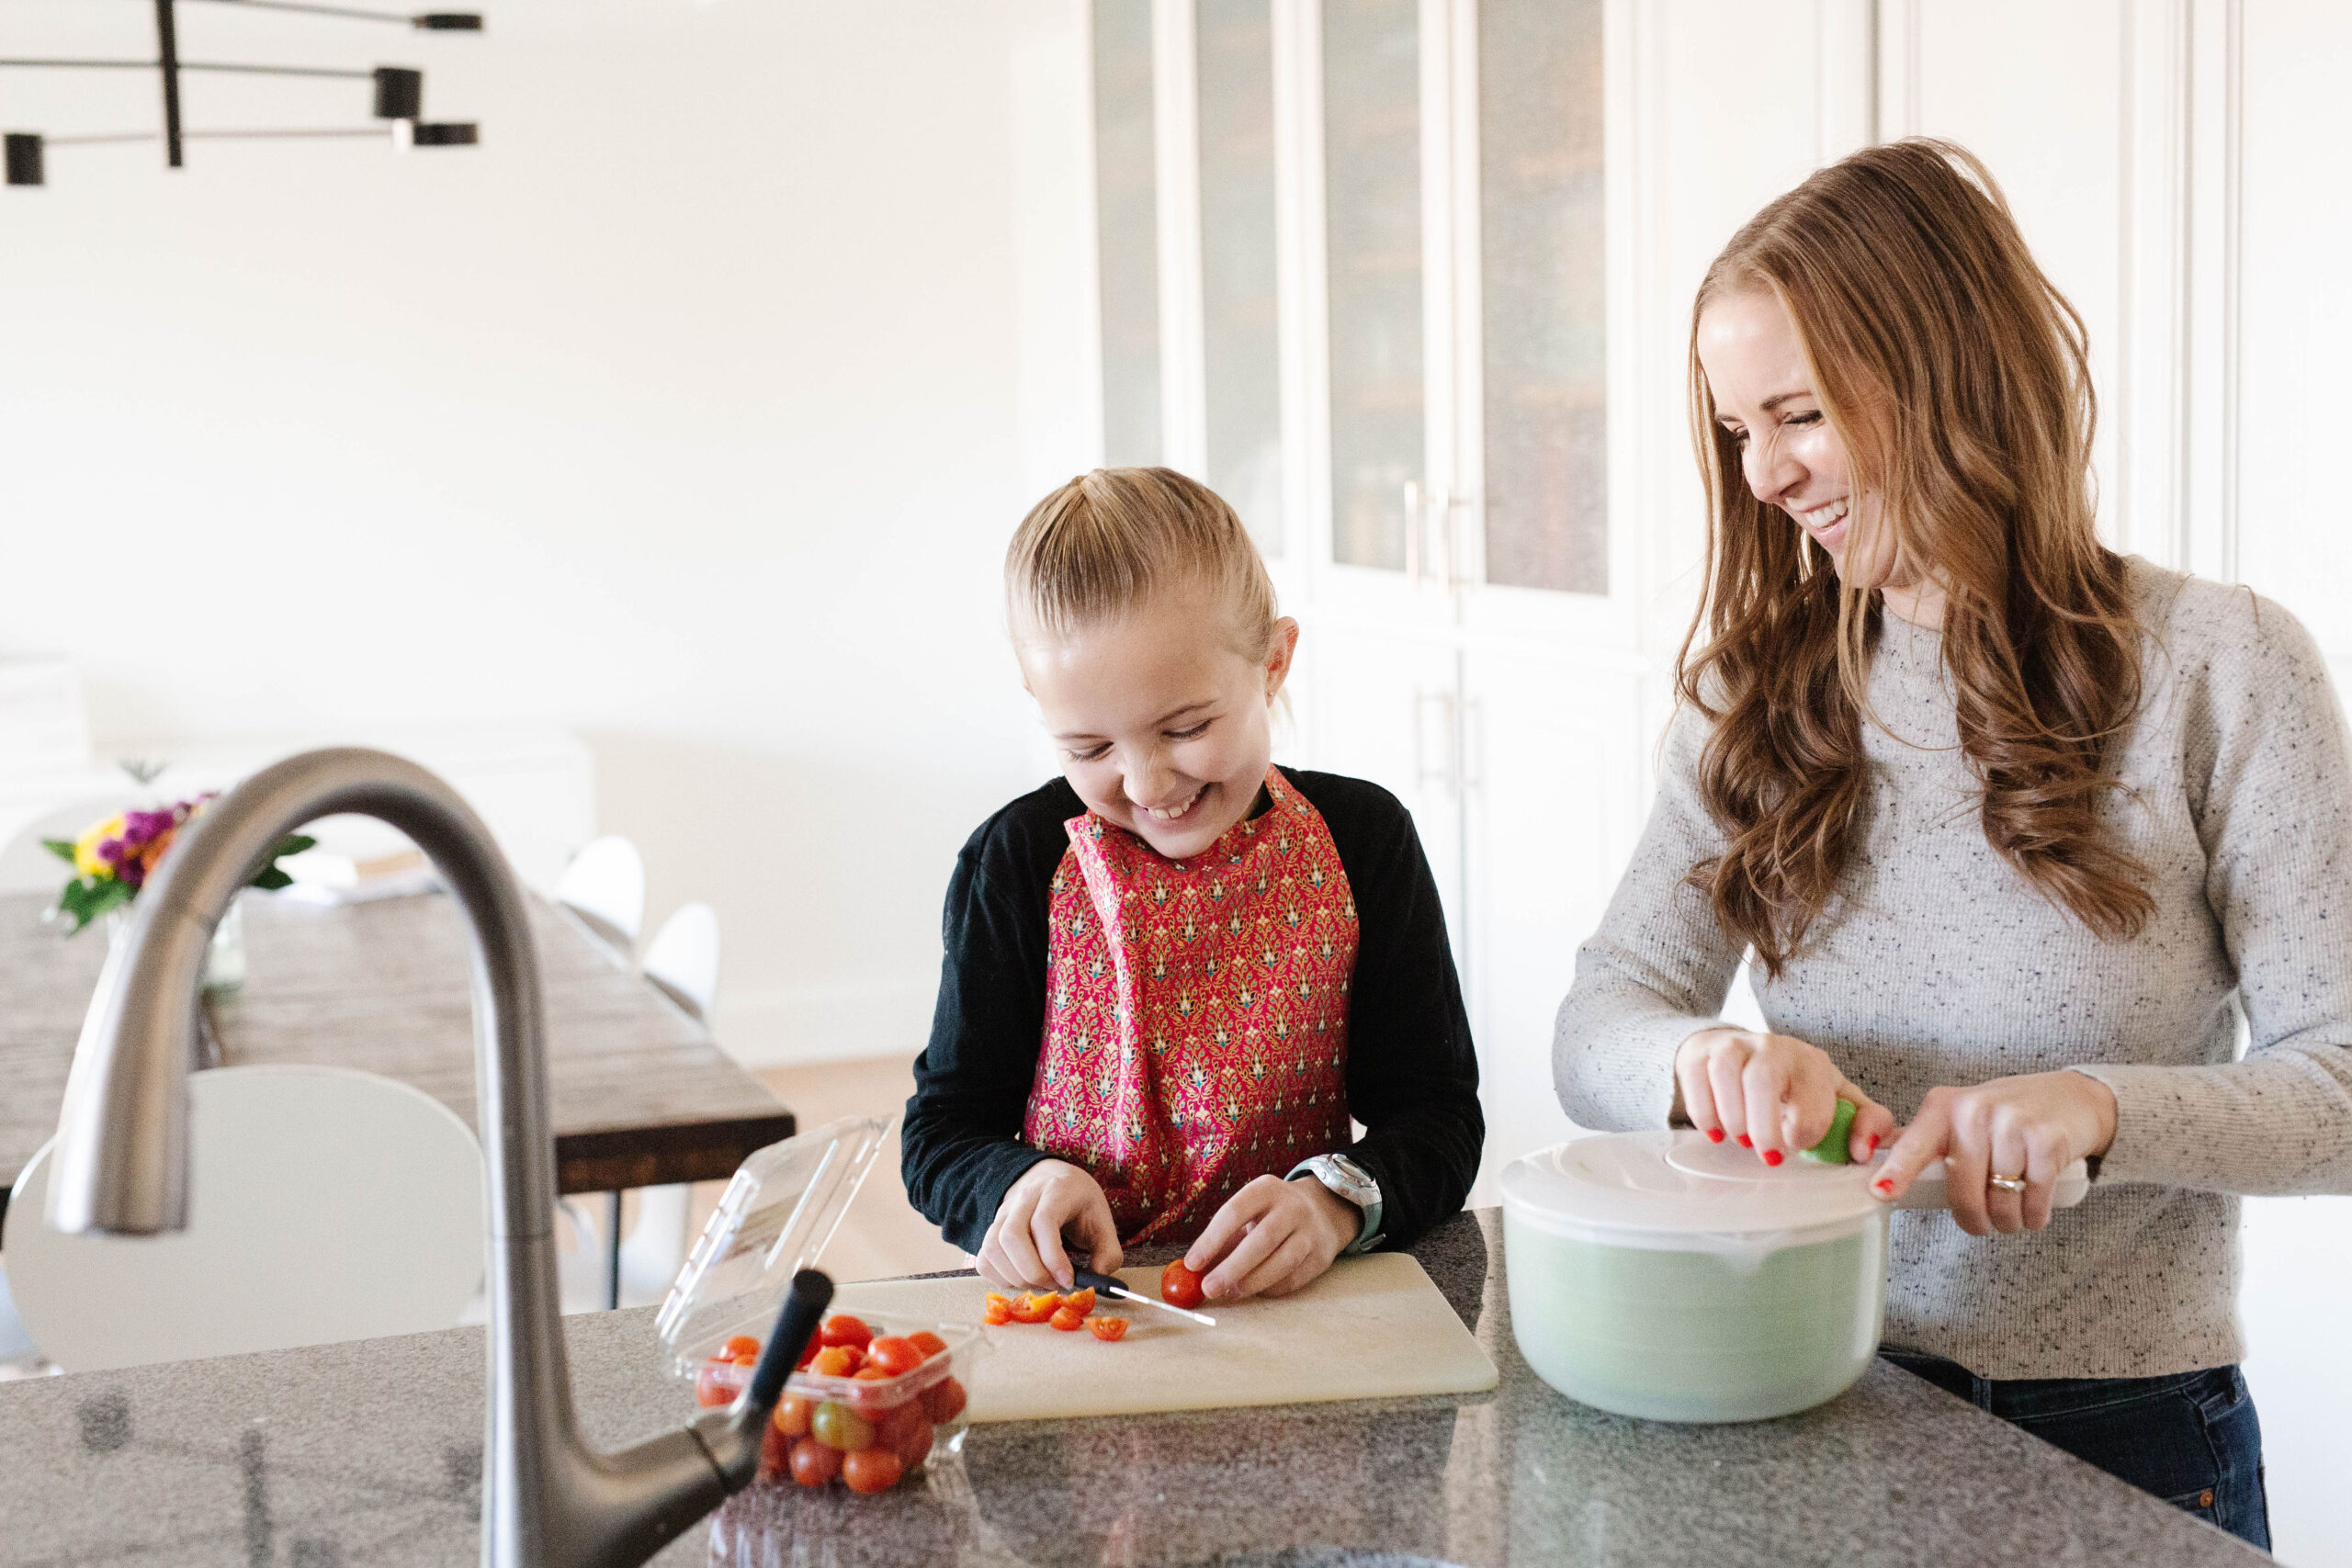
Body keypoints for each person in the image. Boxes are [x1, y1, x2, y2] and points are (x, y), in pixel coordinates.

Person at [1556, 139, 2352, 1550]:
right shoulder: (1749, 699)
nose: (1763, 474)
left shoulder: (2219, 667)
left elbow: (2343, 1084)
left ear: (1942, 373)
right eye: (1737, 427)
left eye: (1796, 414)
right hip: (1812, 1392)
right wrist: (1700, 1064)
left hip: (2134, 1434)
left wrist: (2101, 1106)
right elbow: (1603, 1014)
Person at [903, 467, 1484, 1303]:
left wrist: (1332, 1206)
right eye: (1089, 749)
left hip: (1293, 1309)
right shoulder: (1017, 860)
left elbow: (1439, 1118)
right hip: (1072, 1311)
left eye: (1185, 728)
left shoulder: (1364, 841)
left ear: (1274, 662)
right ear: (1041, 706)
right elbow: (940, 1135)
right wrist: (1016, 1185)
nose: (1144, 784)